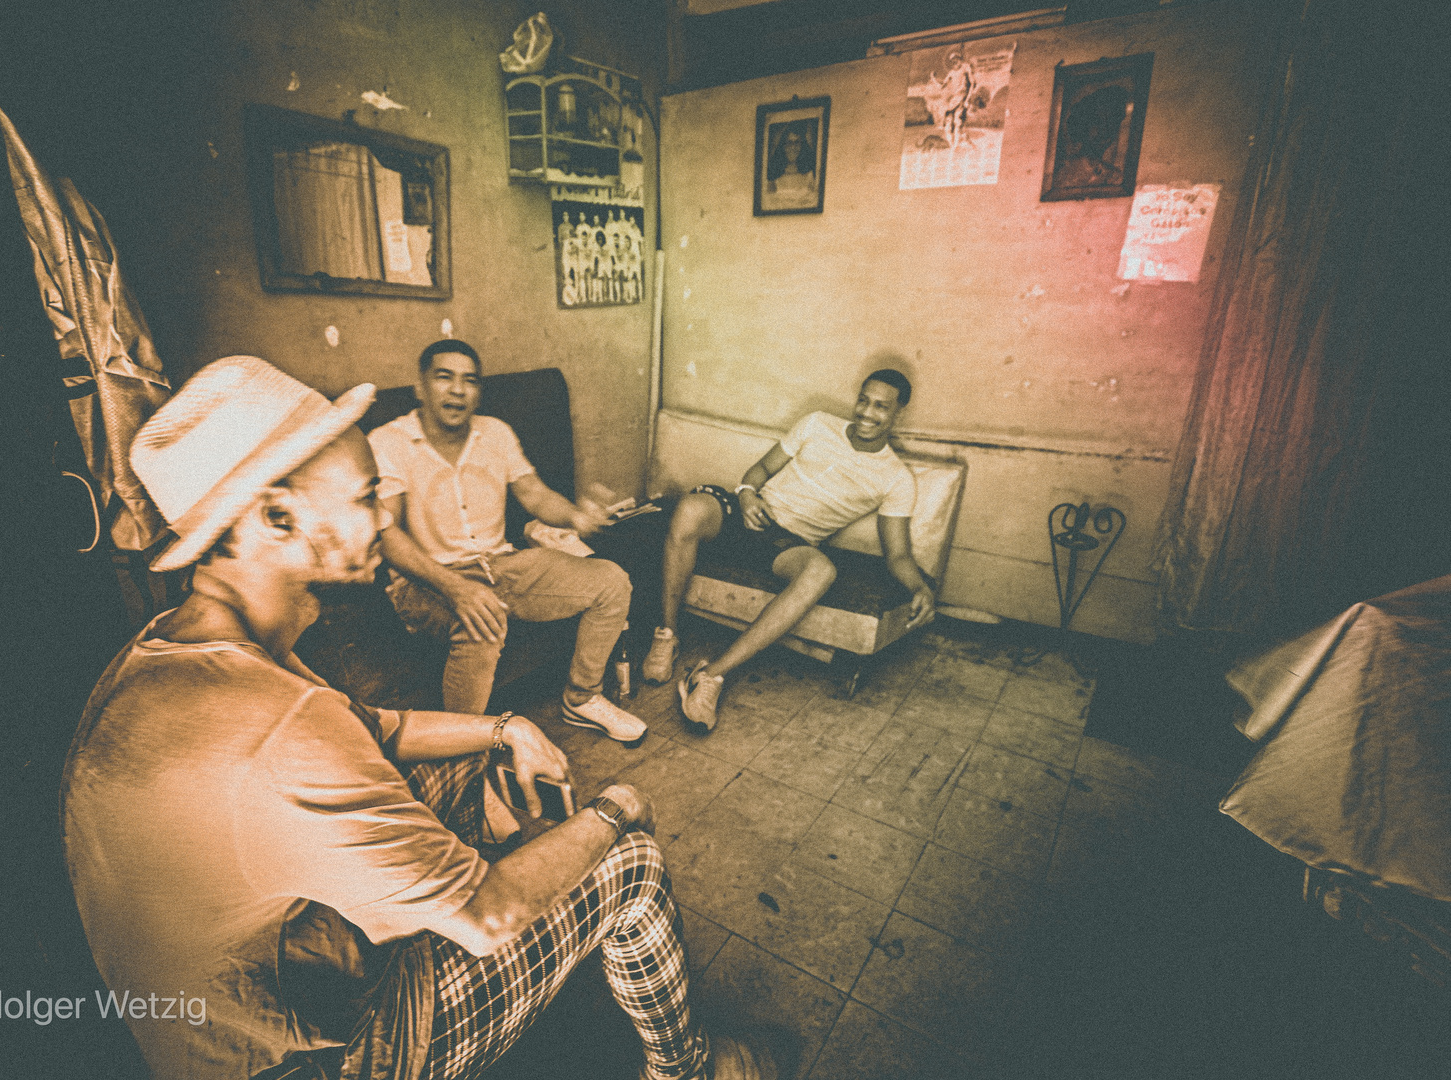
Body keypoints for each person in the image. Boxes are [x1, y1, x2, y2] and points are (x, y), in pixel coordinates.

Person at [64, 355, 780, 1080]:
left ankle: (481, 905)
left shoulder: (177, 649)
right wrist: (614, 809)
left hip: (240, 990)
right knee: (628, 862)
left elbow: (371, 730)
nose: (384, 518)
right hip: (317, 1061)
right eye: (365, 497)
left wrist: (506, 728)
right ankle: (689, 1068)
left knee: (469, 754)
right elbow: (488, 916)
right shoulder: (282, 727)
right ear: (274, 516)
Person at [371, 340, 647, 746]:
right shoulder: (388, 441)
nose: (458, 391)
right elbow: (385, 534)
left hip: (501, 565)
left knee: (610, 581)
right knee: (483, 619)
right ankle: (460, 752)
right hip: (427, 580)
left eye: (469, 381)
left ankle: (582, 697)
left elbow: (534, 495)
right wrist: (458, 589)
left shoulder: (495, 433)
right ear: (421, 387)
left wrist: (576, 517)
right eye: (444, 377)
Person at [642, 370, 937, 733]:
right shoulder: (817, 424)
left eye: (880, 406)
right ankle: (666, 635)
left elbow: (898, 555)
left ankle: (710, 676)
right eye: (863, 400)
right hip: (748, 513)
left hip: (789, 544)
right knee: (689, 509)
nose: (866, 412)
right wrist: (748, 494)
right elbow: (762, 469)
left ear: (898, 414)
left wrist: (920, 588)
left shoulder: (895, 478)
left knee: (821, 571)